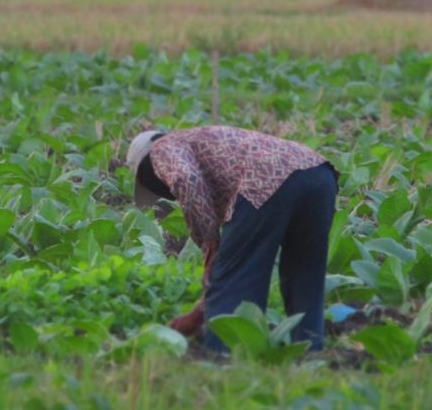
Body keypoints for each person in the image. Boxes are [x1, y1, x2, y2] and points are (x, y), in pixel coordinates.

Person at [125, 125, 338, 352]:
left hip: (265, 178)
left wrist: (208, 241)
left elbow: (186, 178)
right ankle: (309, 352)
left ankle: (222, 355)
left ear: (146, 168)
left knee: (237, 275)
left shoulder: (162, 148)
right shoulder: (213, 155)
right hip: (319, 174)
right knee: (305, 272)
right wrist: (200, 313)